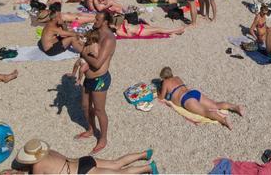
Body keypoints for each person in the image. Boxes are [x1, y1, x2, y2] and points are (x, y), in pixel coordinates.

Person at [77, 12, 116, 154]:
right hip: (88, 78)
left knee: (99, 110)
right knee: (85, 106)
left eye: (97, 19)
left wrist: (82, 51)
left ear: (105, 22)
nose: (94, 20)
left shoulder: (109, 39)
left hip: (100, 79)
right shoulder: (94, 33)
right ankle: (91, 129)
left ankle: (103, 138)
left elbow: (98, 63)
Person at [157, 67, 244, 130]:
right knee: (215, 104)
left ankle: (223, 120)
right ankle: (235, 107)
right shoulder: (177, 78)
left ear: (164, 77)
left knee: (205, 111)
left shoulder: (165, 82)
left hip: (186, 99)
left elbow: (161, 97)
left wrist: (158, 91)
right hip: (193, 93)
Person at [14, 138, 155, 174]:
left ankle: (148, 168)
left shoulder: (38, 166)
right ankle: (144, 153)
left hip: (82, 172)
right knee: (116, 163)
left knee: (121, 173)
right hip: (84, 161)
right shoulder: (50, 152)